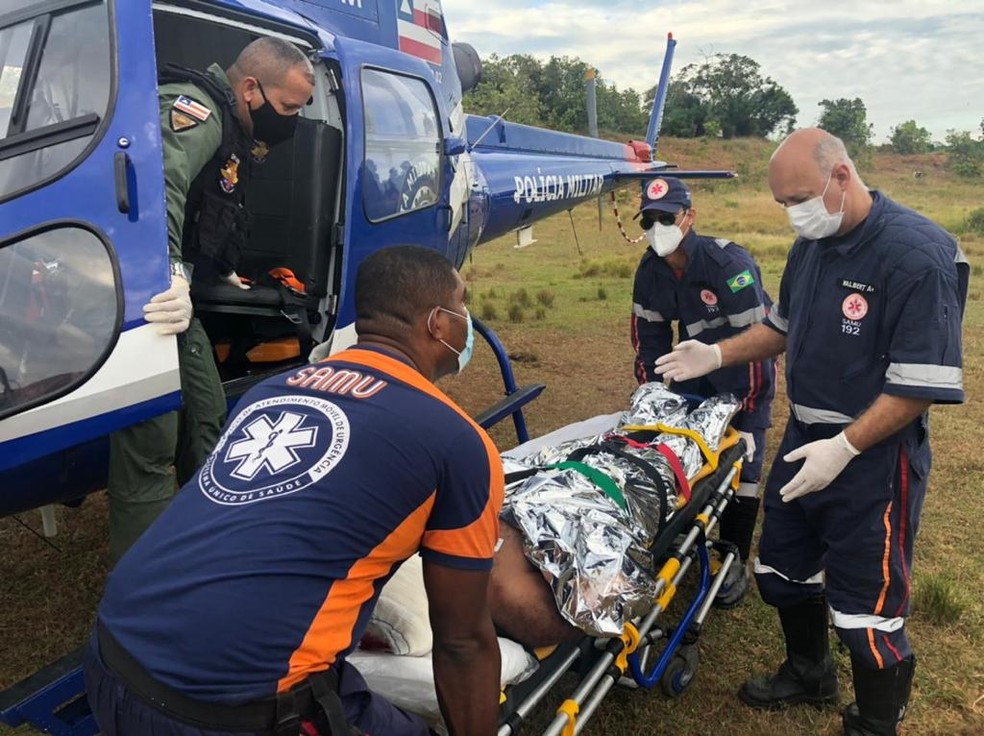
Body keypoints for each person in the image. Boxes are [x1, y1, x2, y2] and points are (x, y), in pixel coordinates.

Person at [85, 245, 504, 736]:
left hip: (108, 658)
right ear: (438, 323)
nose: (467, 322)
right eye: (463, 305)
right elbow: (462, 644)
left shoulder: (271, 390)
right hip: (225, 715)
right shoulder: (457, 442)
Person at [654, 128, 967, 736]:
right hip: (805, 437)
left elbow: (918, 385)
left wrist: (845, 448)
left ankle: (876, 722)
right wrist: (715, 356)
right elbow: (781, 328)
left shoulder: (917, 255)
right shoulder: (813, 246)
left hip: (873, 454)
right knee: (782, 570)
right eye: (782, 204)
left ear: (842, 176)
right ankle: (809, 671)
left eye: (799, 197)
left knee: (865, 607)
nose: (793, 213)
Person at [106, 38, 315, 562]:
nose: (290, 120)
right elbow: (158, 189)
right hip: (146, 304)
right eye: (288, 107)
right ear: (250, 88)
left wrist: (219, 269)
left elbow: (207, 210)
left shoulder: (232, 129)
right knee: (152, 445)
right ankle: (143, 584)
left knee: (206, 418)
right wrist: (171, 275)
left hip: (175, 306)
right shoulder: (196, 112)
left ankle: (204, 548)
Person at [631, 176, 775, 607]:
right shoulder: (650, 270)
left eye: (667, 217)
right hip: (690, 371)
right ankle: (688, 540)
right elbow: (649, 338)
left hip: (739, 370)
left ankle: (734, 560)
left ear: (689, 217)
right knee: (684, 459)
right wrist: (654, 395)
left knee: (744, 470)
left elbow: (758, 342)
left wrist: (747, 413)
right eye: (650, 219)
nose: (658, 227)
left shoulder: (727, 265)